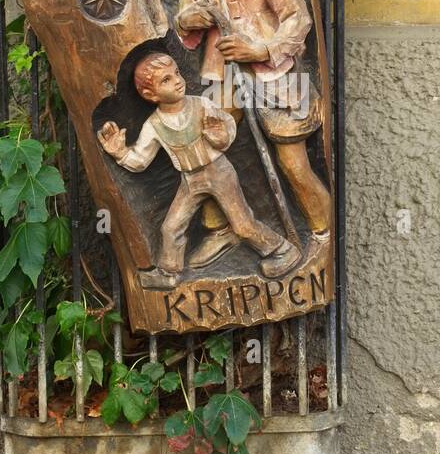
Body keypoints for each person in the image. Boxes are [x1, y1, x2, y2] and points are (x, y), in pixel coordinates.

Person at [152, 0, 331, 267]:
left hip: (279, 78)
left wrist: (261, 50)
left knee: (293, 164)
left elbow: (299, 19)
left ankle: (322, 236)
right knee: (207, 148)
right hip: (222, 78)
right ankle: (221, 228)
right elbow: (186, 28)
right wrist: (189, 21)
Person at [97, 52, 300, 290]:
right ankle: (169, 272)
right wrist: (120, 153)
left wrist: (220, 136)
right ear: (150, 95)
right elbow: (141, 160)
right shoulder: (154, 125)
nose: (177, 80)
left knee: (242, 224)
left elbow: (227, 127)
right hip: (190, 180)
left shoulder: (202, 105)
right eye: (166, 80)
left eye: (177, 73)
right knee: (171, 227)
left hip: (218, 172)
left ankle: (282, 251)